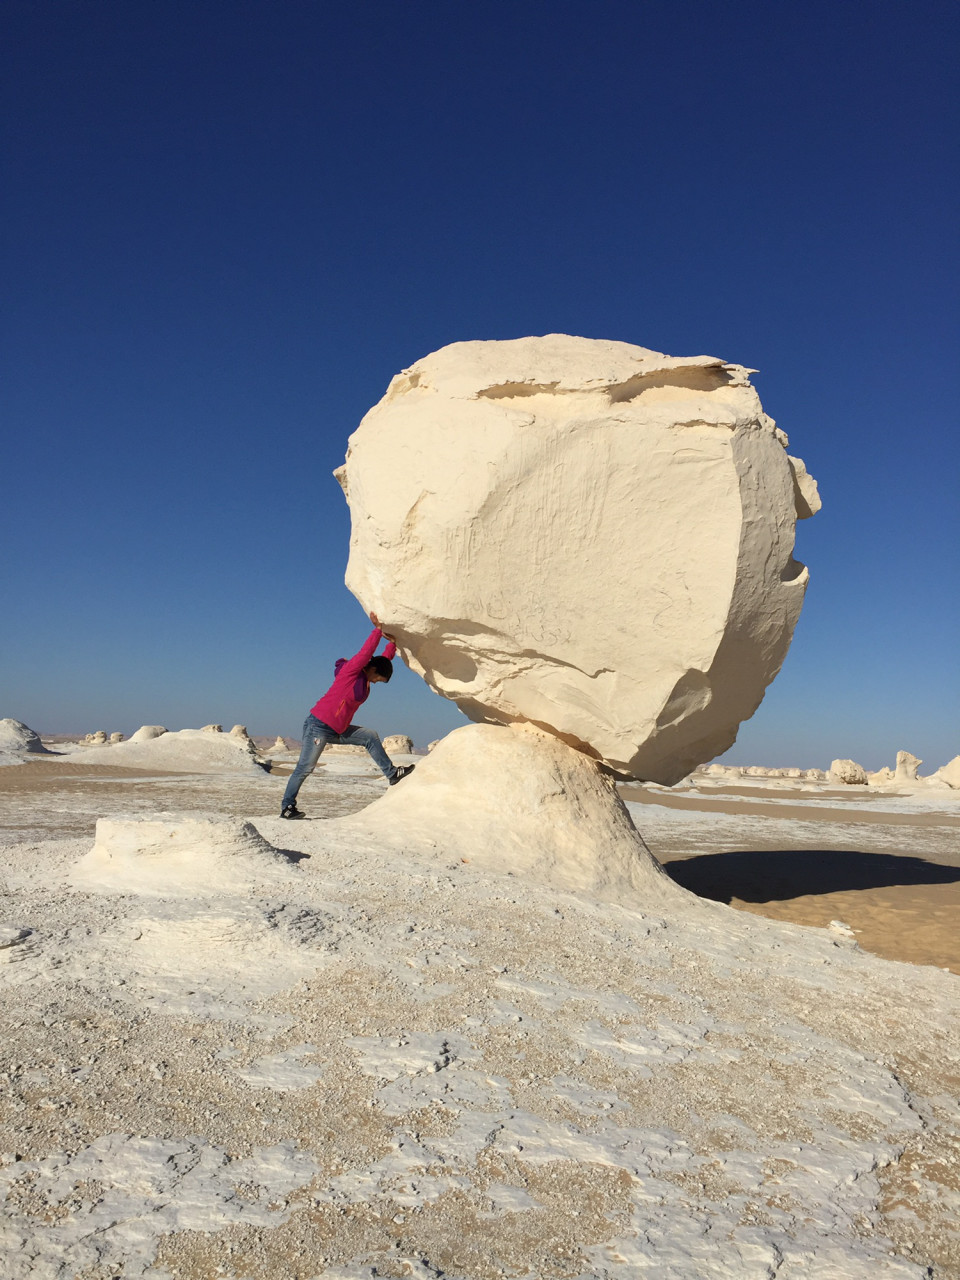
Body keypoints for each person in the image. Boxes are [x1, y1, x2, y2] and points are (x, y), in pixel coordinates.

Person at [280, 612, 415, 818]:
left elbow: (383, 660)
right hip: (319, 726)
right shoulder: (351, 672)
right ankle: (287, 807)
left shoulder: (367, 678)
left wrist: (392, 644)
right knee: (305, 767)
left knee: (370, 736)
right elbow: (365, 653)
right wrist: (377, 631)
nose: (376, 682)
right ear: (372, 669)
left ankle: (392, 774)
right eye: (378, 678)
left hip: (338, 729)